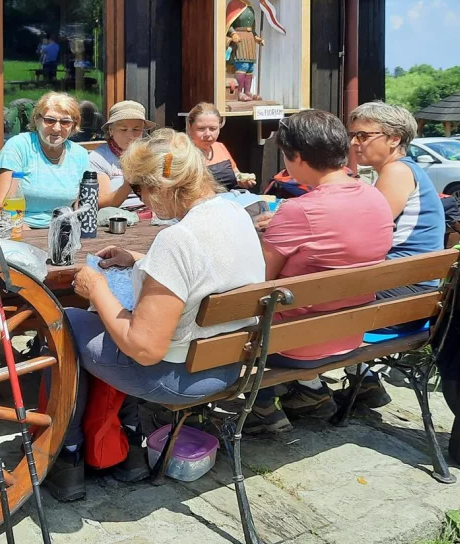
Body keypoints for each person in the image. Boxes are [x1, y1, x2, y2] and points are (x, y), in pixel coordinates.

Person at [43, 129, 266, 502]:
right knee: (108, 314)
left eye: (139, 190)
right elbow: (207, 271)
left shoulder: (177, 238)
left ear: (160, 186)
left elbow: (144, 349)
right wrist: (141, 264)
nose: (141, 201)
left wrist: (96, 288)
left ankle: (67, 455)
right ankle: (125, 443)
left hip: (176, 378)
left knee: (61, 319)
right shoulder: (233, 212)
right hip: (229, 364)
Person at [247, 109, 394, 433]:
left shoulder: (298, 211)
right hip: (351, 332)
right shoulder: (376, 198)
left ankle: (258, 406)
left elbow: (256, 282)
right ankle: (305, 393)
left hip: (296, 342)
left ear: (297, 157)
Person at [343, 101, 446, 407]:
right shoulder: (399, 170)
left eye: (363, 135)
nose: (354, 143)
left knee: (306, 298)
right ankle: (362, 380)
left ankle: (307, 387)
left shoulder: (396, 171)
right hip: (415, 287)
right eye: (352, 135)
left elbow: (369, 237)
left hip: (406, 295)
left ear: (394, 139)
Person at [0, 92, 90, 228]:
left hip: (63, 230)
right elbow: (1, 203)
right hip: (20, 228)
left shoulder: (80, 154)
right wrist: (28, 232)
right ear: (36, 120)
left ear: (73, 125)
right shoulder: (18, 146)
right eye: (50, 120)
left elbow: (83, 206)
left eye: (65, 122)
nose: (57, 128)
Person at [88, 100, 155, 210]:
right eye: (123, 129)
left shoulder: (150, 154)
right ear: (110, 130)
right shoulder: (98, 158)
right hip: (116, 217)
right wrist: (129, 183)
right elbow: (101, 204)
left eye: (136, 129)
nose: (130, 135)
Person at [186, 102, 256, 191]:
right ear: (190, 127)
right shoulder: (184, 154)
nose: (207, 134)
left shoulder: (220, 147)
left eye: (213, 129)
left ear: (219, 127)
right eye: (201, 128)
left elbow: (236, 174)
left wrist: (243, 181)